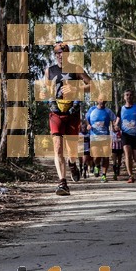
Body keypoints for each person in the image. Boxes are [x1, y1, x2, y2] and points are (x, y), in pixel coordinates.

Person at [45, 43, 92, 196]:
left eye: (63, 53)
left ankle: (72, 163)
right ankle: (62, 183)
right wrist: (50, 103)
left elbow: (92, 85)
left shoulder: (76, 69)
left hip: (72, 113)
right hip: (56, 113)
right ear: (55, 55)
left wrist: (77, 89)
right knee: (57, 147)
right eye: (58, 53)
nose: (60, 55)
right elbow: (46, 91)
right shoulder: (49, 70)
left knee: (72, 151)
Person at [117, 90, 136, 183]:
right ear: (124, 97)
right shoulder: (121, 109)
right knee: (128, 155)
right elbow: (117, 122)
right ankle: (130, 176)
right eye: (127, 95)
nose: (129, 96)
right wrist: (116, 127)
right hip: (125, 135)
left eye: (130, 95)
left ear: (133, 97)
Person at [86, 98, 116, 182]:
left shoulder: (108, 111)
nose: (102, 101)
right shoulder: (92, 109)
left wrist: (115, 124)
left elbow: (115, 119)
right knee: (96, 157)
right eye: (100, 99)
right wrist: (88, 125)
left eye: (104, 100)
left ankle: (104, 175)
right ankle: (96, 165)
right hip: (94, 137)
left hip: (105, 137)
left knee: (106, 157)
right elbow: (86, 118)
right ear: (97, 100)